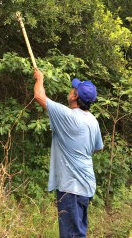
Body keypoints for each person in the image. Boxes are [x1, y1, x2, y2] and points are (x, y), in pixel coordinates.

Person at [33, 68, 103, 238]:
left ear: (75, 97)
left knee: (72, 235)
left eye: (74, 89)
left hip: (72, 188)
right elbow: (98, 147)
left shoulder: (68, 116)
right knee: (77, 232)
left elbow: (39, 96)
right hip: (85, 186)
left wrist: (39, 77)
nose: (71, 90)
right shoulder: (92, 121)